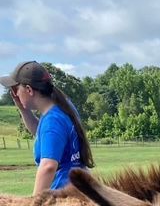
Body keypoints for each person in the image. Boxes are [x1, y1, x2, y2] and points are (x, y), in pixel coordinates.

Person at [0, 61, 94, 194]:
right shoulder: (63, 106)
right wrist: (23, 108)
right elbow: (44, 135)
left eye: (16, 89)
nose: (15, 94)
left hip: (63, 194)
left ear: (29, 90)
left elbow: (48, 166)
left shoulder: (52, 121)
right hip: (79, 187)